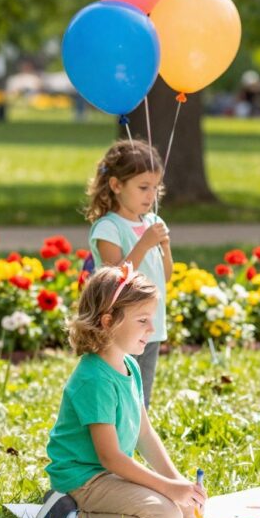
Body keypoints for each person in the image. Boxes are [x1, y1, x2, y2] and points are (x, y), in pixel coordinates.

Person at [34, 265, 206, 518]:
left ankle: (76, 512)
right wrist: (168, 488)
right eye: (142, 320)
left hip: (107, 475)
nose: (152, 328)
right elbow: (110, 457)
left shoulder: (129, 365)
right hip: (83, 480)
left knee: (188, 511)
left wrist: (177, 481)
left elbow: (144, 435)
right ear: (108, 321)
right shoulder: (95, 379)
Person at [86, 140, 172, 408]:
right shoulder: (109, 227)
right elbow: (114, 278)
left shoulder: (153, 223)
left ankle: (135, 436)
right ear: (116, 185)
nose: (151, 196)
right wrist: (144, 244)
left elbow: (165, 275)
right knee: (118, 390)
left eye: (155, 188)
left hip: (150, 326)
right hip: (122, 326)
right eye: (143, 187)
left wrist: (164, 246)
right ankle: (114, 437)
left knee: (141, 397)